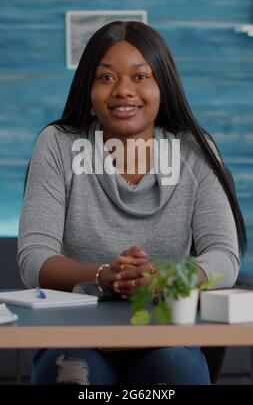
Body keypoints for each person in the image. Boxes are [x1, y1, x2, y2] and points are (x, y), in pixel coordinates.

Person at [18, 21, 247, 385]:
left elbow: (224, 257)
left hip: (168, 333)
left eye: (140, 77)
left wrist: (164, 279)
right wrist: (102, 276)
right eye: (106, 78)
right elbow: (34, 258)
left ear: (162, 88)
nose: (124, 91)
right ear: (88, 92)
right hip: (75, 335)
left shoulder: (195, 149)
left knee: (175, 374)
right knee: (75, 376)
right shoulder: (57, 145)